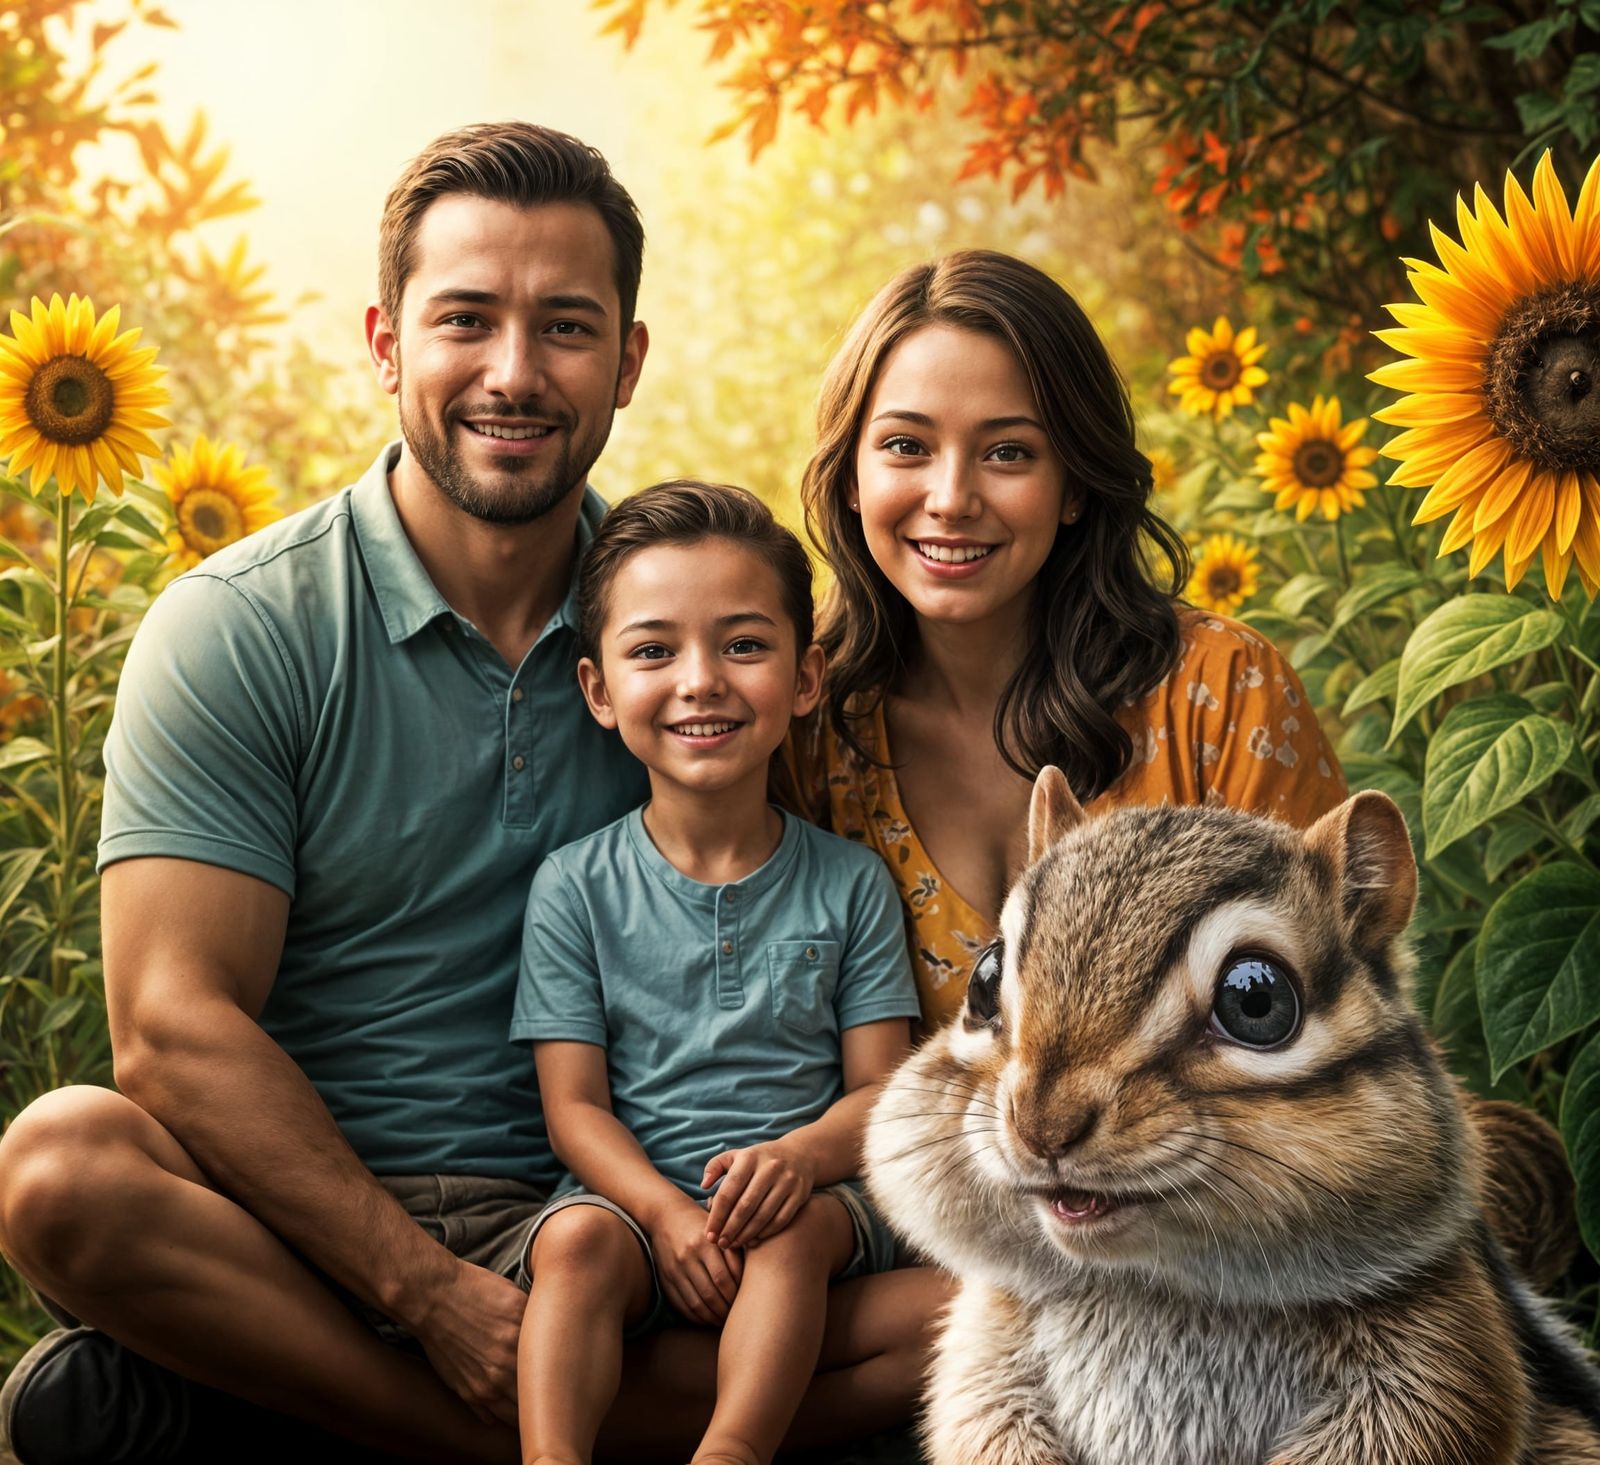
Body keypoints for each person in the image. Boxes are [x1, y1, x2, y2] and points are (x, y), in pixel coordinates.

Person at [0, 124, 933, 1465]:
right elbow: (171, 1030)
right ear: (386, 344)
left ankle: (294, 1412)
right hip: (311, 1235)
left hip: (621, 1244)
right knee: (60, 1166)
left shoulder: (685, 639)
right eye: (465, 320)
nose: (514, 372)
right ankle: (488, 1422)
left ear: (627, 360)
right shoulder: (242, 629)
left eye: (564, 325)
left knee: (976, 1316)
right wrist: (429, 1298)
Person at [785, 250, 1347, 1028]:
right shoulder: (800, 716)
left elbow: (1331, 1010)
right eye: (906, 446)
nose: (950, 499)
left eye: (1008, 451)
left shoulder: (1224, 692)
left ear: (1075, 483)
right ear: (851, 477)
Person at [514, 481, 919, 1465]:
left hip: (809, 1210)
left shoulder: (851, 883)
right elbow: (574, 1109)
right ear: (599, 691)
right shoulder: (574, 886)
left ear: (805, 676)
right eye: (653, 650)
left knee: (942, 1293)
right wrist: (660, 1212)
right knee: (571, 1247)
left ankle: (730, 1448)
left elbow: (879, 1093)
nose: (701, 680)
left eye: (743, 645)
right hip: (636, 1209)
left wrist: (798, 1160)